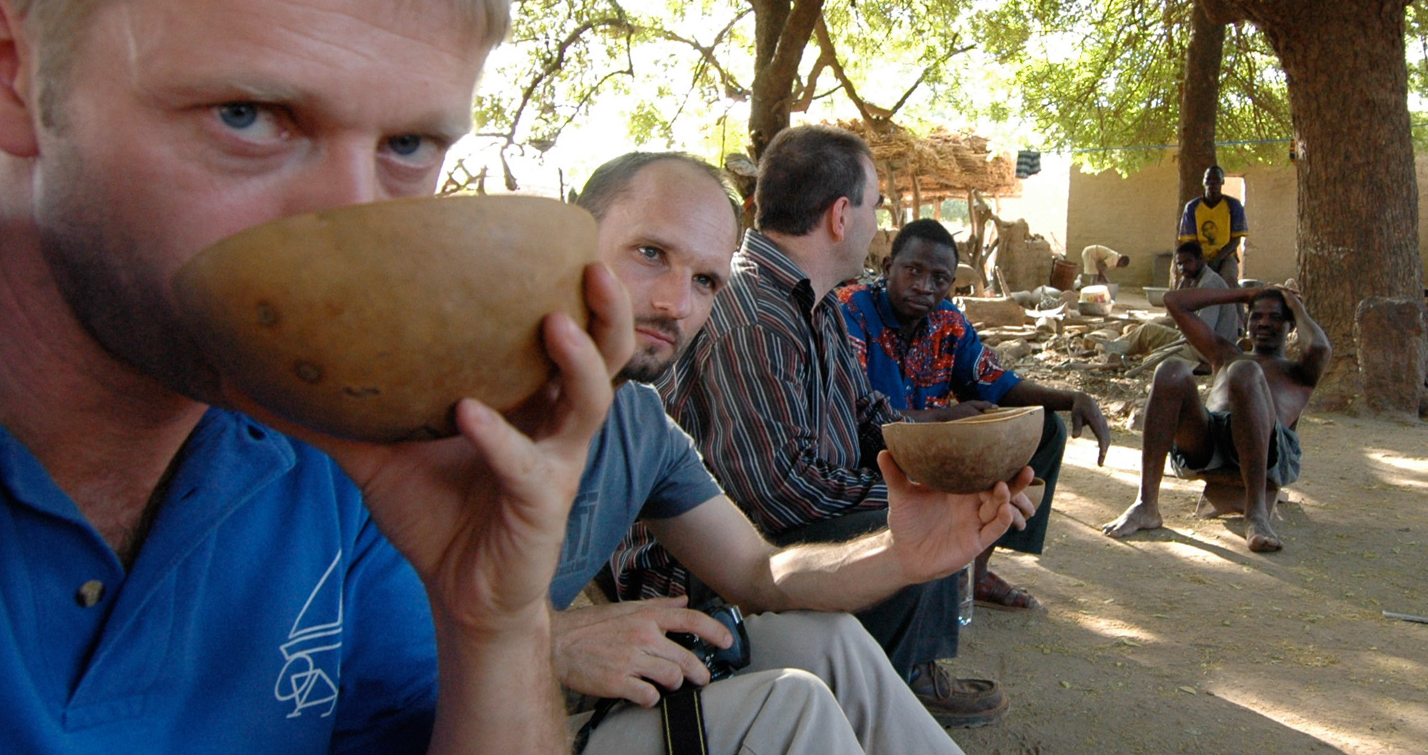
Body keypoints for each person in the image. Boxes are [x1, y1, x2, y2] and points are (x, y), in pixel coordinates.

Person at [0, 0, 635, 751]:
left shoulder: (351, 448)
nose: (350, 228)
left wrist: (492, 621)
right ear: (7, 68)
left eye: (406, 146)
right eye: (249, 115)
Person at [553, 153, 1033, 754]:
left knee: (831, 644)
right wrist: (551, 640)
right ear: (568, 240)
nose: (677, 304)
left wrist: (905, 552)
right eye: (651, 253)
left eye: (705, 281)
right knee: (793, 707)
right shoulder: (446, 401)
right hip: (449, 718)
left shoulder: (640, 423)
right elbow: (774, 488)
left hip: (531, 682)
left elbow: (761, 573)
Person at [839, 219, 1112, 612]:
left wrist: (1071, 397)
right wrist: (945, 419)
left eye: (939, 278)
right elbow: (852, 415)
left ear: (951, 284)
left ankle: (975, 570)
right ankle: (909, 581)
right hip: (871, 453)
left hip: (930, 450)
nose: (924, 286)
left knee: (1045, 427)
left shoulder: (948, 322)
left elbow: (998, 383)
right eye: (913, 270)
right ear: (887, 268)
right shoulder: (853, 312)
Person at [1102, 285, 1330, 552]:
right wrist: (1245, 294)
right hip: (1209, 441)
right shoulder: (1224, 355)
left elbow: (1318, 346)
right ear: (1247, 322)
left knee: (1245, 371)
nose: (1264, 323)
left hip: (1269, 449)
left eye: (1276, 317)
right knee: (1171, 370)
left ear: (1290, 325)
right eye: (1257, 316)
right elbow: (1174, 301)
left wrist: (1296, 306)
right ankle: (1146, 504)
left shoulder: (1299, 372)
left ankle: (1255, 515)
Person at [1178, 165, 1248, 286]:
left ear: (1222, 182)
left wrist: (1218, 259)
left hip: (1226, 256)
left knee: (1230, 280)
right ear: (1203, 182)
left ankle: (1236, 306)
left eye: (1216, 180)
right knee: (1186, 283)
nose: (1212, 184)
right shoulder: (1192, 207)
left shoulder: (1234, 206)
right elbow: (1191, 242)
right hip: (1199, 256)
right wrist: (1201, 259)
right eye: (1208, 180)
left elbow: (1236, 240)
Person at [1174, 240, 1240, 343]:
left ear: (1201, 259)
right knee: (1153, 326)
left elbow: (1203, 333)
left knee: (1146, 332)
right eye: (1179, 264)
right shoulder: (1190, 279)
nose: (1183, 268)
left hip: (1211, 348)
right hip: (1194, 340)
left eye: (1188, 262)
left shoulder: (1209, 284)